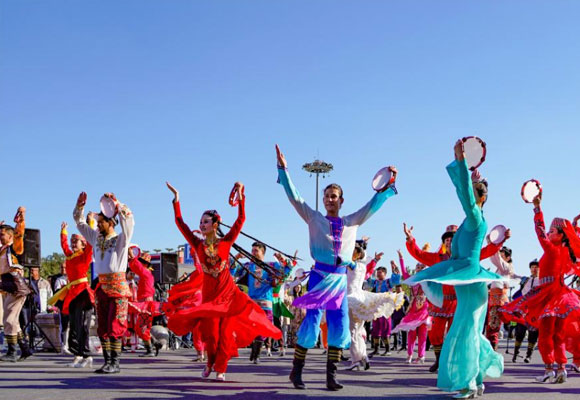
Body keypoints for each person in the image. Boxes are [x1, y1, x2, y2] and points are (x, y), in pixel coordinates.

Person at [275, 144, 398, 391]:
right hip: (319, 278)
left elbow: (372, 205)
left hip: (340, 280)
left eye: (334, 196)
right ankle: (296, 372)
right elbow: (295, 197)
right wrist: (283, 170)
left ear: (341, 200)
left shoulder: (352, 221)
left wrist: (388, 184)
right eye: (327, 196)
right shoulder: (313, 218)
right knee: (312, 322)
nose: (330, 200)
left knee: (340, 324)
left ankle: (331, 376)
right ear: (323, 200)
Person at [404, 140, 504, 399]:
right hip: (468, 282)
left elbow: (466, 196)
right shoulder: (470, 220)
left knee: (465, 334)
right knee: (469, 333)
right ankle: (476, 381)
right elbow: (466, 194)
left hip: (471, 282)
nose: (468, 195)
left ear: (481, 198)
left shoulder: (475, 217)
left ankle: (469, 383)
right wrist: (468, 175)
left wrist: (460, 162)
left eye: (474, 192)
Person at [166, 181, 281, 381]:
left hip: (228, 296)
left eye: (205, 222)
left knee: (225, 334)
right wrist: (176, 200)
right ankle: (210, 362)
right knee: (211, 334)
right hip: (209, 297)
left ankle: (221, 368)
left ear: (215, 225)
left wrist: (241, 197)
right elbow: (180, 223)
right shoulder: (198, 244)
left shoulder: (226, 242)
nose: (201, 225)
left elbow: (241, 219)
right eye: (200, 222)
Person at [404, 222, 505, 373]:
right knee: (435, 333)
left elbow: (486, 251)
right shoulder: (438, 258)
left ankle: (453, 362)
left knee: (457, 334)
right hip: (440, 302)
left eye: (453, 239)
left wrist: (500, 241)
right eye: (447, 240)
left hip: (460, 302)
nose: (450, 242)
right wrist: (410, 239)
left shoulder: (467, 258)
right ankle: (438, 360)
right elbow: (419, 254)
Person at [500, 193, 580, 384]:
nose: (549, 234)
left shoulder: (551, 249)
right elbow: (571, 238)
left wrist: (537, 209)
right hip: (561, 295)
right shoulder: (564, 250)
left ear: (560, 235)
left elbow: (539, 231)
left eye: (553, 231)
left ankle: (549, 369)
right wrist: (574, 225)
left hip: (549, 294)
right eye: (550, 231)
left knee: (545, 335)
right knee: (558, 335)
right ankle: (561, 369)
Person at [74, 192, 134, 374]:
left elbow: (128, 221)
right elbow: (80, 223)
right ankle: (107, 361)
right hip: (102, 288)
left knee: (115, 325)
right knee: (103, 327)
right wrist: (80, 206)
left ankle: (115, 363)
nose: (98, 225)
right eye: (98, 222)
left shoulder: (121, 240)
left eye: (101, 222)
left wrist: (117, 204)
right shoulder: (96, 238)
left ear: (112, 223)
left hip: (118, 288)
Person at [345, 239, 400, 371]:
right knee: (358, 331)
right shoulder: (362, 267)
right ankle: (363, 356)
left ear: (357, 254)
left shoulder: (352, 265)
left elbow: (342, 259)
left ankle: (356, 360)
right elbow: (368, 267)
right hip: (361, 299)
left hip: (351, 299)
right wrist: (372, 257)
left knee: (353, 331)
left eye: (353, 251)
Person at [234, 243, 293, 363]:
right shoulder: (248, 266)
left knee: (264, 328)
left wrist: (282, 259)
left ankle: (257, 353)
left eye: (256, 250)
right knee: (251, 327)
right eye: (252, 250)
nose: (253, 253)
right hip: (251, 302)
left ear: (263, 252)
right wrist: (237, 257)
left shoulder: (271, 266)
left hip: (266, 302)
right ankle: (255, 349)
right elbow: (233, 270)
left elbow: (288, 269)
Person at [48, 222, 95, 368]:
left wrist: (90, 224)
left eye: (76, 241)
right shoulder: (69, 256)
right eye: (72, 241)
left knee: (83, 325)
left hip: (82, 292)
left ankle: (87, 355)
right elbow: (64, 246)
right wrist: (63, 231)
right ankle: (78, 354)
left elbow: (91, 242)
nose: (73, 244)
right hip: (72, 292)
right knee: (74, 325)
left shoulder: (85, 255)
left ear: (83, 244)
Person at [0, 207, 33, 362]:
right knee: (12, 320)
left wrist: (21, 221)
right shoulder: (3, 250)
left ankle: (12, 352)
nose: (0, 237)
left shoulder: (14, 248)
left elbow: (19, 234)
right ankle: (25, 349)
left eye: (2, 234)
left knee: (9, 319)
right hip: (7, 286)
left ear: (10, 236)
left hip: (17, 287)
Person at [393, 252, 431, 365]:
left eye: (421, 267)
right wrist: (401, 258)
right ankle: (409, 354)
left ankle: (421, 356)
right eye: (417, 267)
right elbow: (404, 272)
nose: (418, 268)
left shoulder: (427, 280)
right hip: (413, 307)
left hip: (424, 307)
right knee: (412, 332)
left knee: (422, 333)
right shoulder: (412, 280)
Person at [128, 252, 161, 357]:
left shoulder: (145, 273)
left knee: (141, 328)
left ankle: (150, 349)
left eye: (142, 262)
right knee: (142, 328)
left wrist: (131, 256)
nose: (140, 263)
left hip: (146, 304)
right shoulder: (146, 274)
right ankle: (154, 343)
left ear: (146, 264)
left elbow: (136, 266)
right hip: (145, 303)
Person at [485, 242, 517, 350]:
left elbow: (496, 259)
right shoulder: (501, 269)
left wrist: (493, 245)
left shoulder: (506, 267)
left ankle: (492, 351)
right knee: (491, 326)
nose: (500, 257)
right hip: (494, 299)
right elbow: (495, 258)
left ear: (508, 258)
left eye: (503, 255)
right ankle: (491, 349)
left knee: (493, 326)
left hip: (498, 301)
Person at [509, 260, 540, 364]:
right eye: (532, 267)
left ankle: (528, 355)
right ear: (530, 269)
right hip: (523, 309)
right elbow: (514, 276)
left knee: (533, 333)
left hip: (535, 310)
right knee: (520, 332)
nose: (534, 269)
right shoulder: (526, 280)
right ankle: (515, 353)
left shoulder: (542, 281)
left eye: (536, 267)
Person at [368, 266, 394, 357]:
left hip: (385, 308)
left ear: (384, 273)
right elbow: (367, 278)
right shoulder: (375, 282)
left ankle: (388, 349)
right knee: (375, 328)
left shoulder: (388, 282)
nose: (378, 274)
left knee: (385, 328)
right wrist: (371, 267)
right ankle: (376, 349)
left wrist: (394, 270)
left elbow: (396, 280)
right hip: (376, 308)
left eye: (380, 272)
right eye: (377, 272)